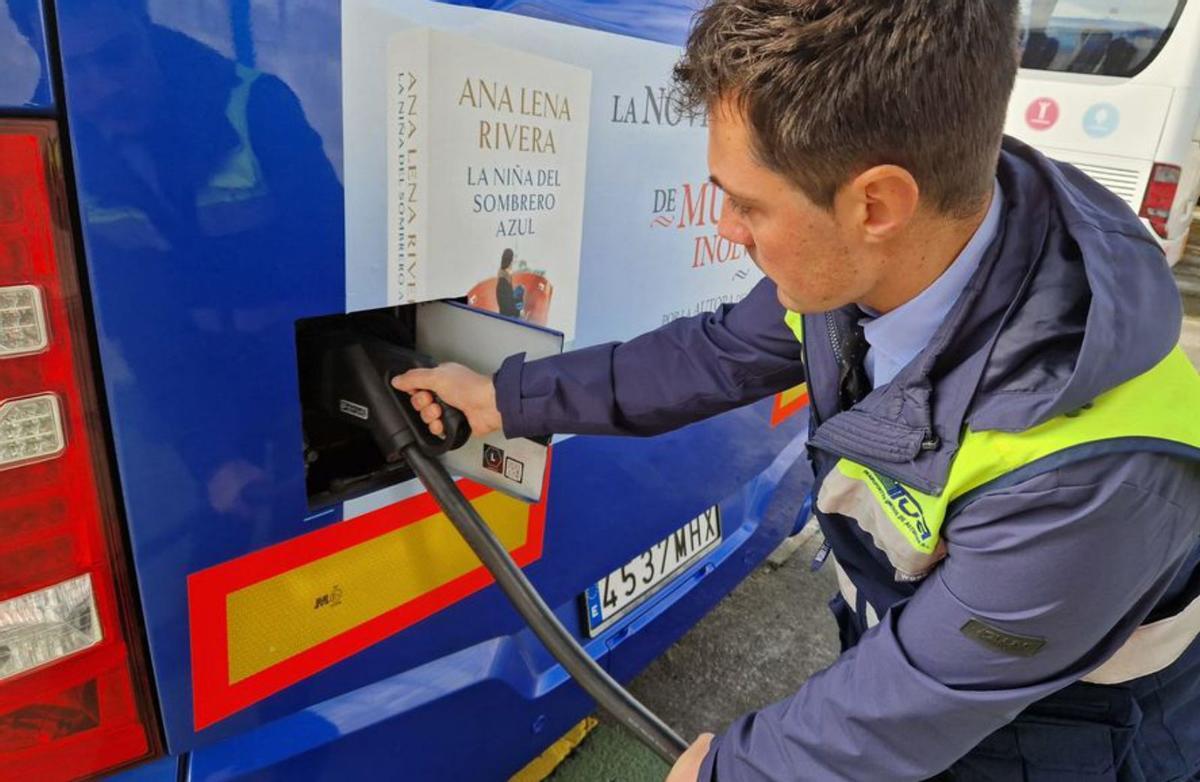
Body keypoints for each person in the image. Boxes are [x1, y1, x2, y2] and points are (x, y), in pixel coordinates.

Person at [395, 1, 1200, 779]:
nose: (726, 229)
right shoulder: (887, 252)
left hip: (1066, 732)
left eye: (747, 204)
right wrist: (508, 398)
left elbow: (912, 703)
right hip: (932, 646)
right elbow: (708, 358)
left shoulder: (1089, 477)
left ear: (876, 204)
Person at [495, 247, 521, 318]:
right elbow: (506, 307)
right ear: (510, 262)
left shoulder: (505, 281)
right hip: (507, 321)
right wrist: (518, 312)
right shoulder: (503, 283)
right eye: (512, 261)